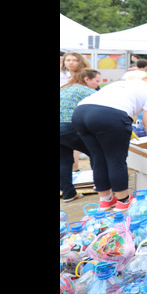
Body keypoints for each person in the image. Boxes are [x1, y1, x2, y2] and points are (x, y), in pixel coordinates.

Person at [72, 74, 147, 211]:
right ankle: (124, 200)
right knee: (115, 159)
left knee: (97, 158)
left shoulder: (121, 84)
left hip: (80, 113)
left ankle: (105, 200)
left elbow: (123, 107)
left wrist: (124, 126)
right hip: (109, 116)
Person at [59, 69, 102, 202]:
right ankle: (102, 187)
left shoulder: (65, 88)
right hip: (68, 125)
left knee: (63, 160)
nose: (98, 84)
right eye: (97, 81)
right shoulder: (86, 90)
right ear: (87, 79)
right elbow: (104, 108)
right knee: (96, 152)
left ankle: (68, 193)